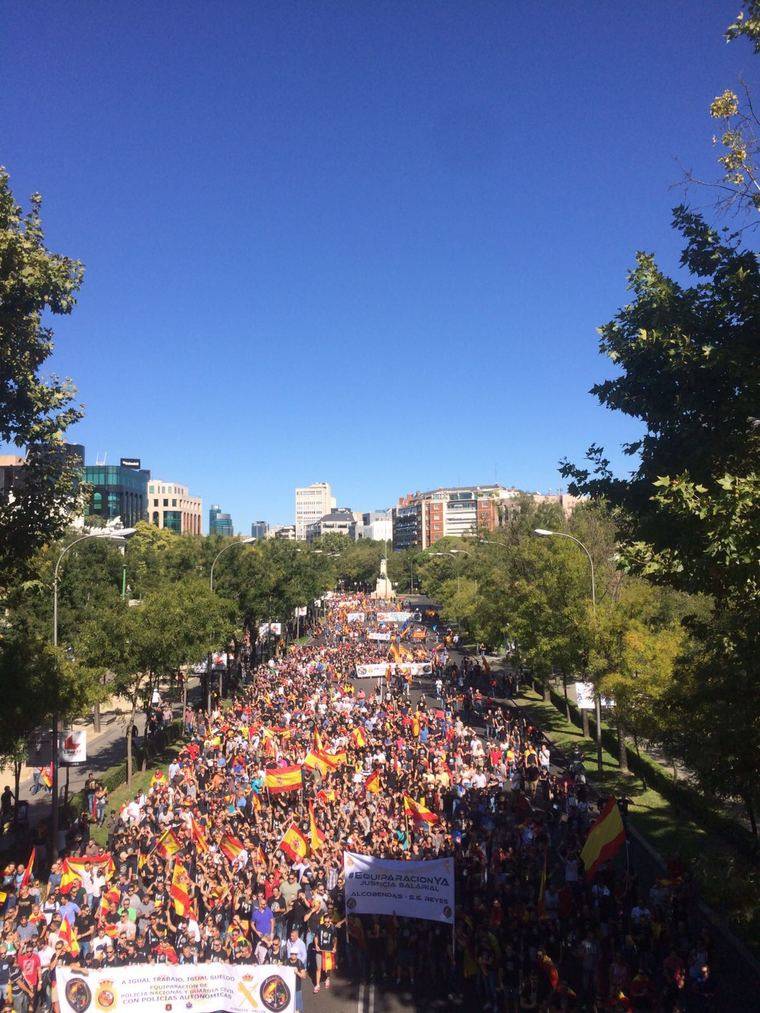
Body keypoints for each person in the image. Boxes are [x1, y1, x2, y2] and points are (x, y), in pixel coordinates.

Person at [313, 912, 336, 992]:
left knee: (328, 967)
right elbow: (316, 937)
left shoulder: (333, 928)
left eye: (328, 922)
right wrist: (316, 945)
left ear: (330, 921)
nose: (326, 923)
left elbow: (335, 939)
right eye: (325, 921)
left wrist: (334, 948)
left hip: (328, 951)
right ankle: (317, 984)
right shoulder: (319, 927)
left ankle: (327, 979)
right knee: (318, 968)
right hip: (320, 951)